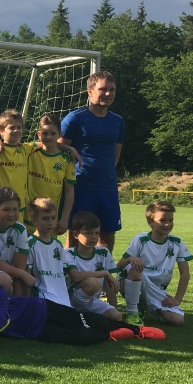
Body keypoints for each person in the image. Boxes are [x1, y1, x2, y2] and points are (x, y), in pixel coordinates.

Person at [0, 257, 164, 346]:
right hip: (34, 331)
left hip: (42, 309)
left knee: (90, 320)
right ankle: (111, 335)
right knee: (83, 339)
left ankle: (136, 330)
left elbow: (1, 319)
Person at [60, 70, 125, 252]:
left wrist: (104, 173)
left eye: (112, 89)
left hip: (107, 188)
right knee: (76, 237)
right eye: (103, 89)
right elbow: (58, 148)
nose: (108, 93)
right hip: (81, 186)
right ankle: (69, 270)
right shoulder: (75, 118)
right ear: (90, 92)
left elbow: (116, 154)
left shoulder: (118, 121)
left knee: (107, 237)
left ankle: (103, 270)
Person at [117, 200, 193, 326]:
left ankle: (143, 307)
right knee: (135, 266)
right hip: (131, 281)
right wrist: (131, 259)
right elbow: (119, 266)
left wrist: (177, 299)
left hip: (156, 290)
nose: (167, 224)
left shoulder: (177, 242)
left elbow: (185, 273)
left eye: (170, 220)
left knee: (178, 320)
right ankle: (132, 313)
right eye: (162, 220)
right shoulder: (140, 239)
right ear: (150, 222)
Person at [65, 210, 122, 321]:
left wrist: (114, 308)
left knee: (116, 317)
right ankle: (76, 315)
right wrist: (104, 273)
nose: (94, 237)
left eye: (96, 233)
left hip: (92, 301)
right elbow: (76, 276)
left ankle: (87, 317)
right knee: (92, 283)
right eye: (88, 233)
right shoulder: (68, 254)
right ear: (76, 235)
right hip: (71, 301)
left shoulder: (103, 253)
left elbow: (109, 284)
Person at [26, 113, 76, 234]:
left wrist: (65, 218)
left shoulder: (66, 160)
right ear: (38, 134)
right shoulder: (29, 153)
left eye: (53, 133)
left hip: (50, 219)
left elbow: (69, 191)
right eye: (45, 133)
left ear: (60, 135)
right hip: (27, 216)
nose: (48, 137)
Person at [25, 197, 73, 306]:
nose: (50, 223)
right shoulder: (30, 244)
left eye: (53, 218)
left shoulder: (58, 245)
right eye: (45, 219)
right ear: (34, 220)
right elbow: (27, 278)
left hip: (64, 300)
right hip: (43, 299)